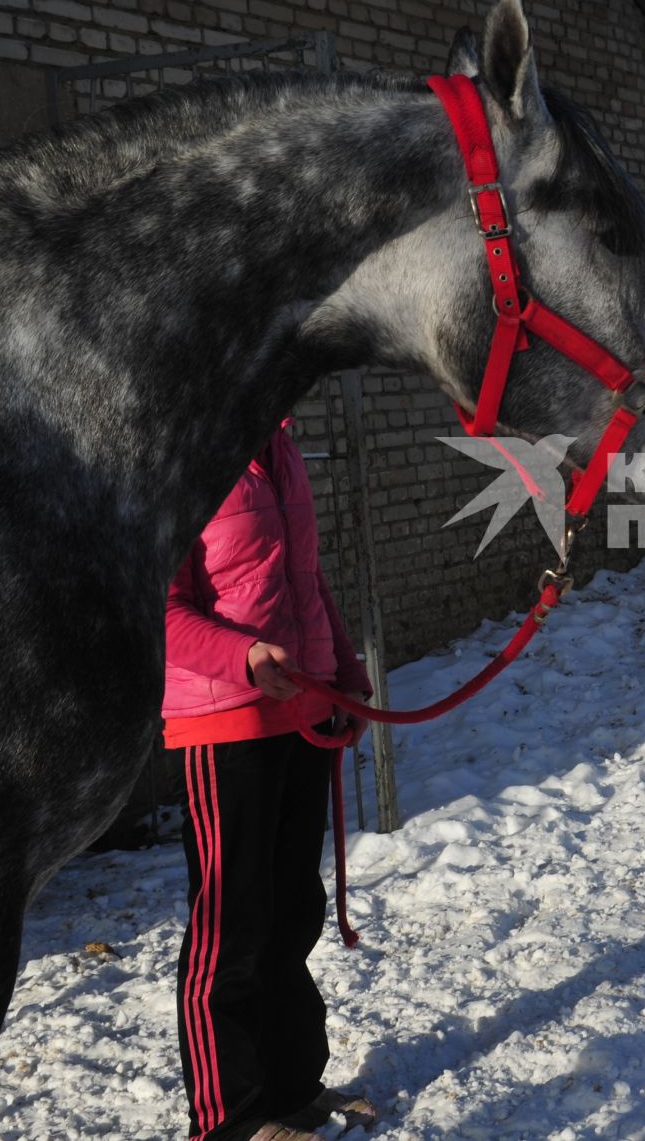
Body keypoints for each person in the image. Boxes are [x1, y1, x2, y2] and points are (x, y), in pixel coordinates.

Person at [162, 420, 379, 1141]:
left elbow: (305, 578)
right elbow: (155, 607)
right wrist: (243, 656)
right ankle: (228, 1118)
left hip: (301, 710)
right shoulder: (181, 449)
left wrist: (343, 675)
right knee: (231, 926)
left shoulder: (279, 444)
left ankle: (290, 1089)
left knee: (292, 910)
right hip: (222, 722)